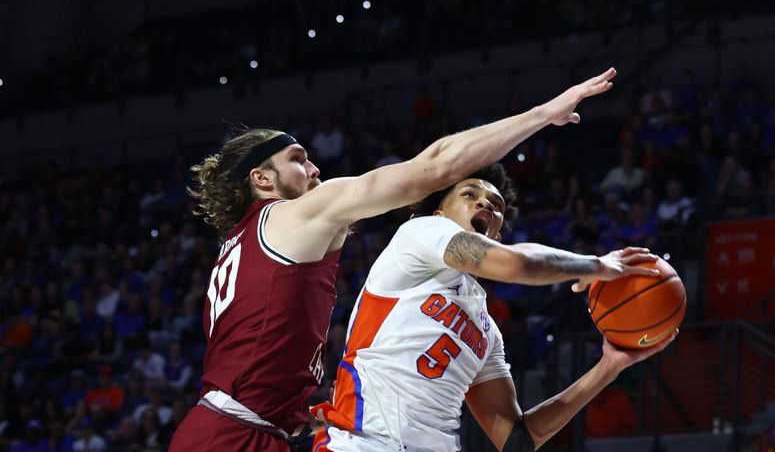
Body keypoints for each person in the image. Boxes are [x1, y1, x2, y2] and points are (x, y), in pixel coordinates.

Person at [169, 68, 621, 452]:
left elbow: (514, 436)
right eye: (298, 160)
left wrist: (611, 363)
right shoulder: (300, 215)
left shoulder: (249, 242)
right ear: (261, 177)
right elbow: (437, 167)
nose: (315, 171)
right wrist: (545, 114)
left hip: (252, 428)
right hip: (240, 431)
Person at [311, 164, 674, 452]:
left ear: (497, 235)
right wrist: (596, 264)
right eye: (470, 194)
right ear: (438, 214)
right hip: (359, 445)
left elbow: (517, 439)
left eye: (495, 205)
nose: (484, 203)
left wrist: (610, 366)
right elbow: (518, 265)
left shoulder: (487, 332)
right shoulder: (417, 237)